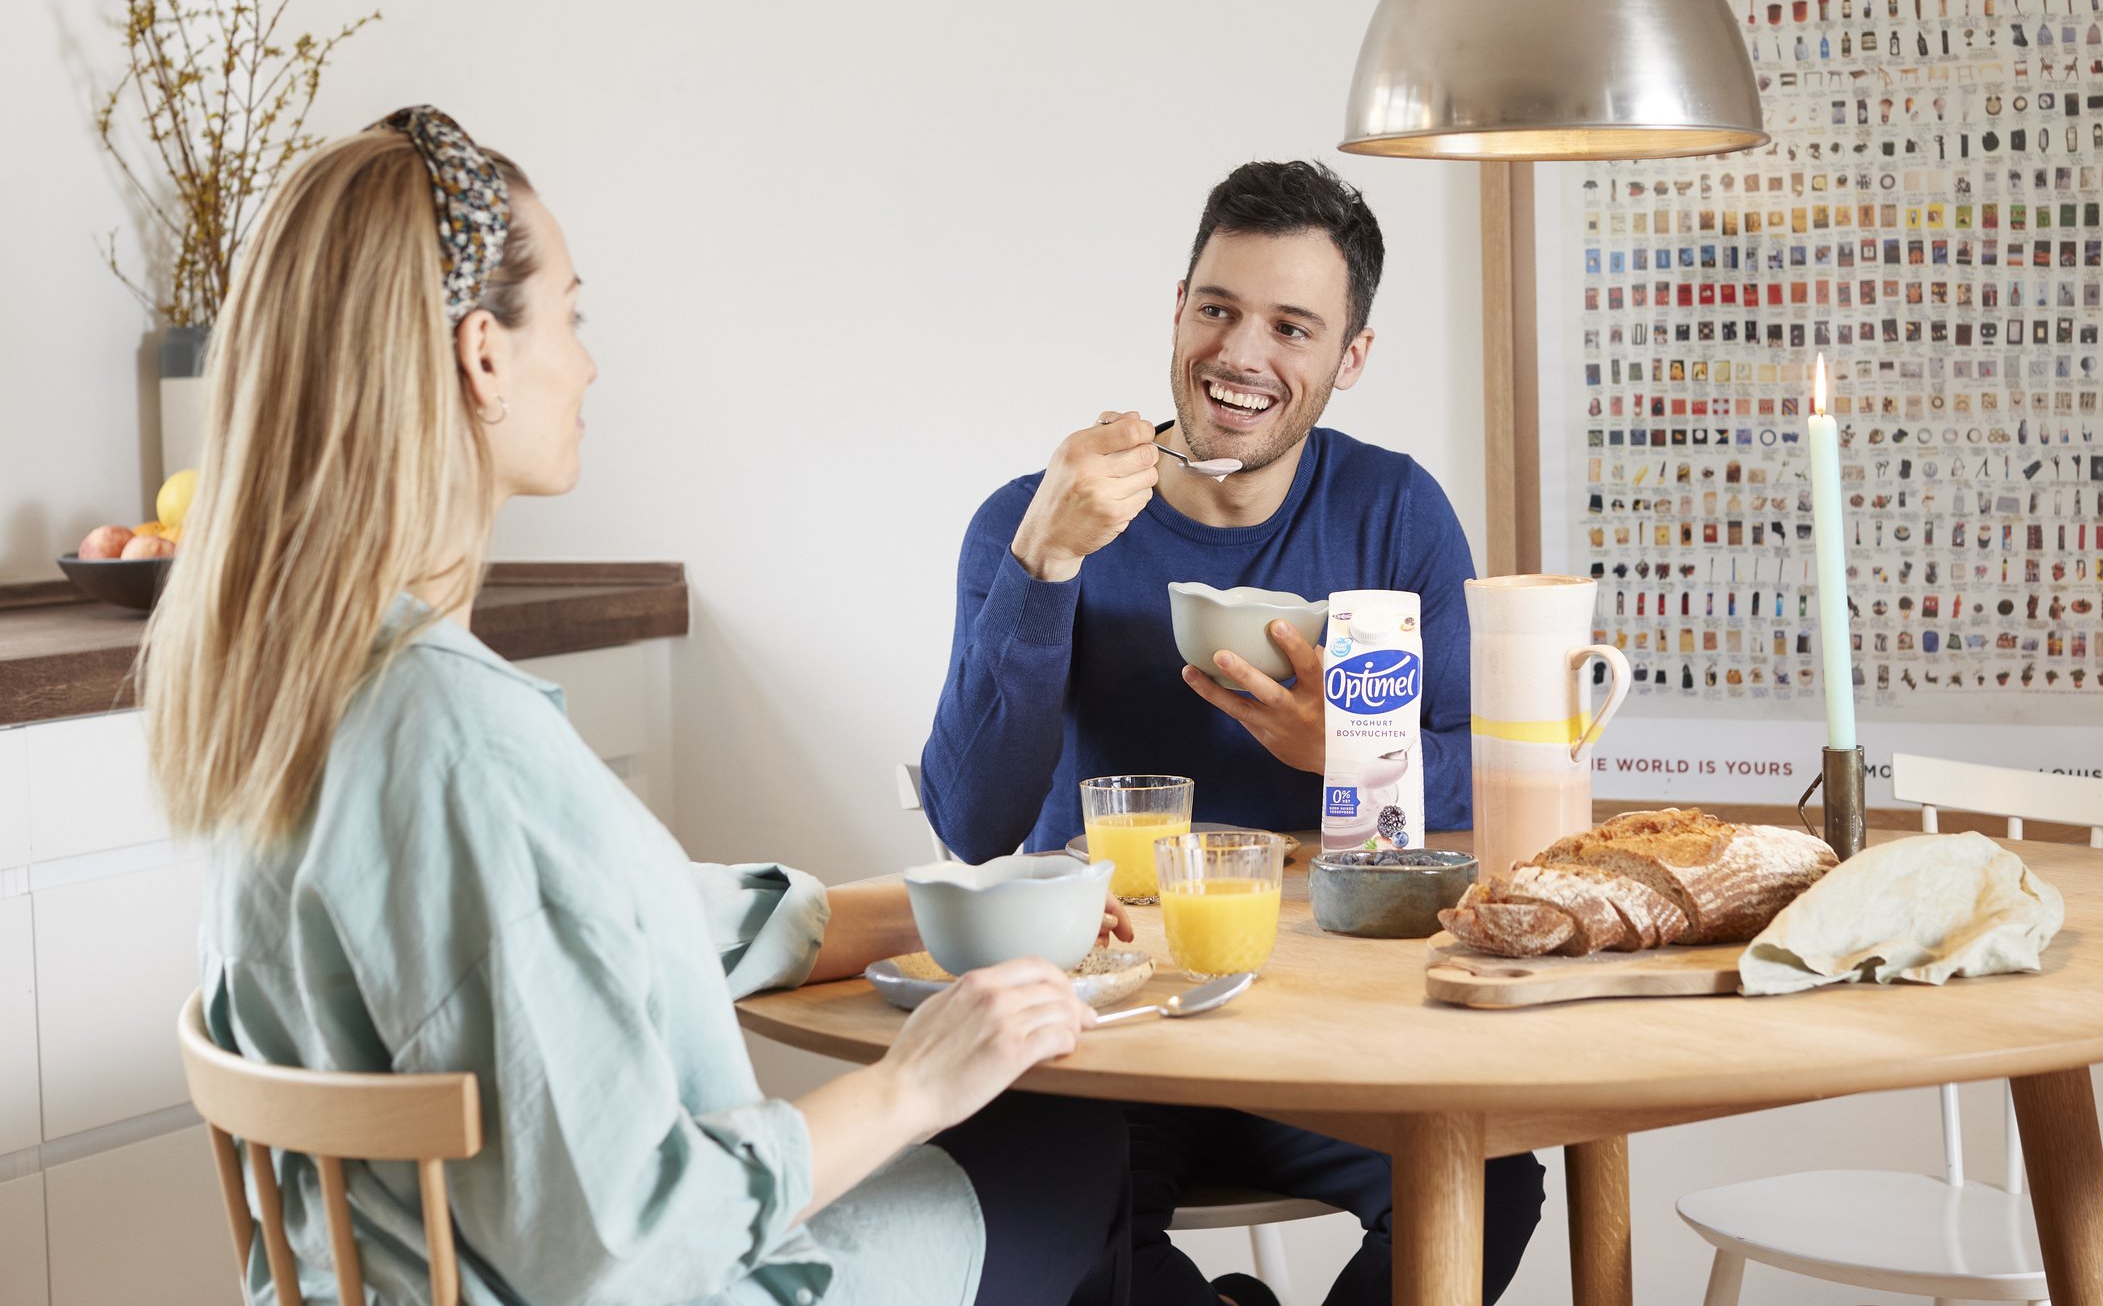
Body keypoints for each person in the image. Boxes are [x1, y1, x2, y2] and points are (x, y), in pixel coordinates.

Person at [145, 109, 1133, 1306]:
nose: (590, 359)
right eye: (571, 311)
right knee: (1078, 1143)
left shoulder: (299, 689)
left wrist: (972, 906)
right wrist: (911, 1082)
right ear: (483, 354)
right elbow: (624, 1244)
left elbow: (607, 919)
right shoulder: (454, 735)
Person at [919, 160, 1544, 1306]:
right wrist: (1044, 560)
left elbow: (1487, 777)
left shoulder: (1393, 510)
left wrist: (1342, 751)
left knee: (1494, 1182)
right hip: (1113, 1030)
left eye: (1291, 324)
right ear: (1178, 306)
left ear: (1349, 357)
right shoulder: (1035, 514)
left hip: (1323, 1033)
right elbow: (971, 825)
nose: (1241, 352)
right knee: (1043, 1232)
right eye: (1217, 306)